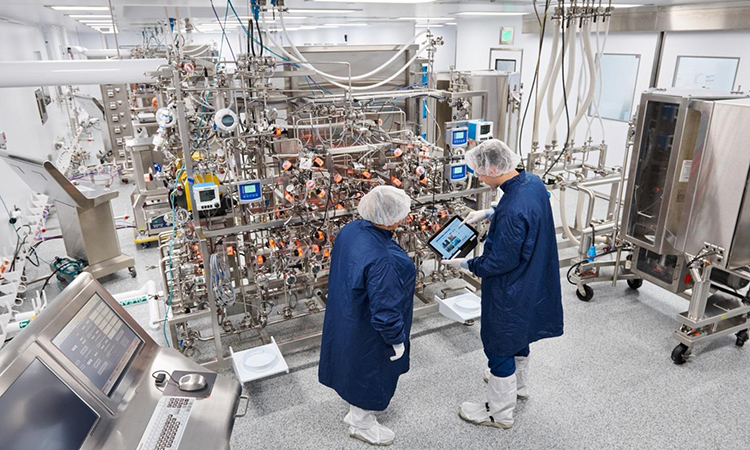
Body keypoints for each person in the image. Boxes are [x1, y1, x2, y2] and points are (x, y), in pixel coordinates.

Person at [442, 139, 564, 429]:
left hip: (511, 287)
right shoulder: (532, 183)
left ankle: (499, 412)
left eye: (481, 172)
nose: (480, 178)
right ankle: (518, 386)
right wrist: (489, 212)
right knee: (519, 335)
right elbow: (526, 210)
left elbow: (499, 261)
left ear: (495, 167)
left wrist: (465, 264)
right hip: (534, 277)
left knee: (499, 344)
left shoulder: (511, 210)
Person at [319, 185, 416, 446]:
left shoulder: (351, 230)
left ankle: (357, 411)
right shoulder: (384, 258)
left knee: (351, 362)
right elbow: (385, 310)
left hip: (349, 312)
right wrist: (397, 339)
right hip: (370, 327)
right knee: (370, 370)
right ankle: (361, 423)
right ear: (394, 218)